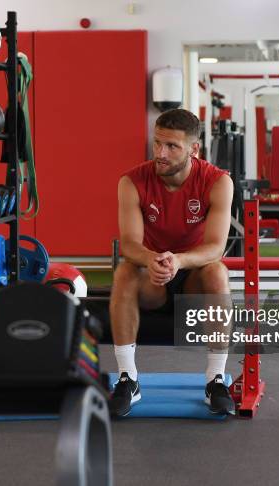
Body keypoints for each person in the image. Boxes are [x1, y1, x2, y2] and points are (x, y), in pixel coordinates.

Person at [109, 108, 234, 417]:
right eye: (157, 143)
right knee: (125, 270)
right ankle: (128, 379)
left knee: (217, 272)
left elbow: (216, 248)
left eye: (172, 147)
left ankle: (215, 379)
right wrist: (156, 260)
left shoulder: (218, 182)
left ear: (194, 149)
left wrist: (179, 260)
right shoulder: (132, 182)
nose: (160, 153)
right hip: (152, 280)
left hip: (192, 277)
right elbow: (129, 245)